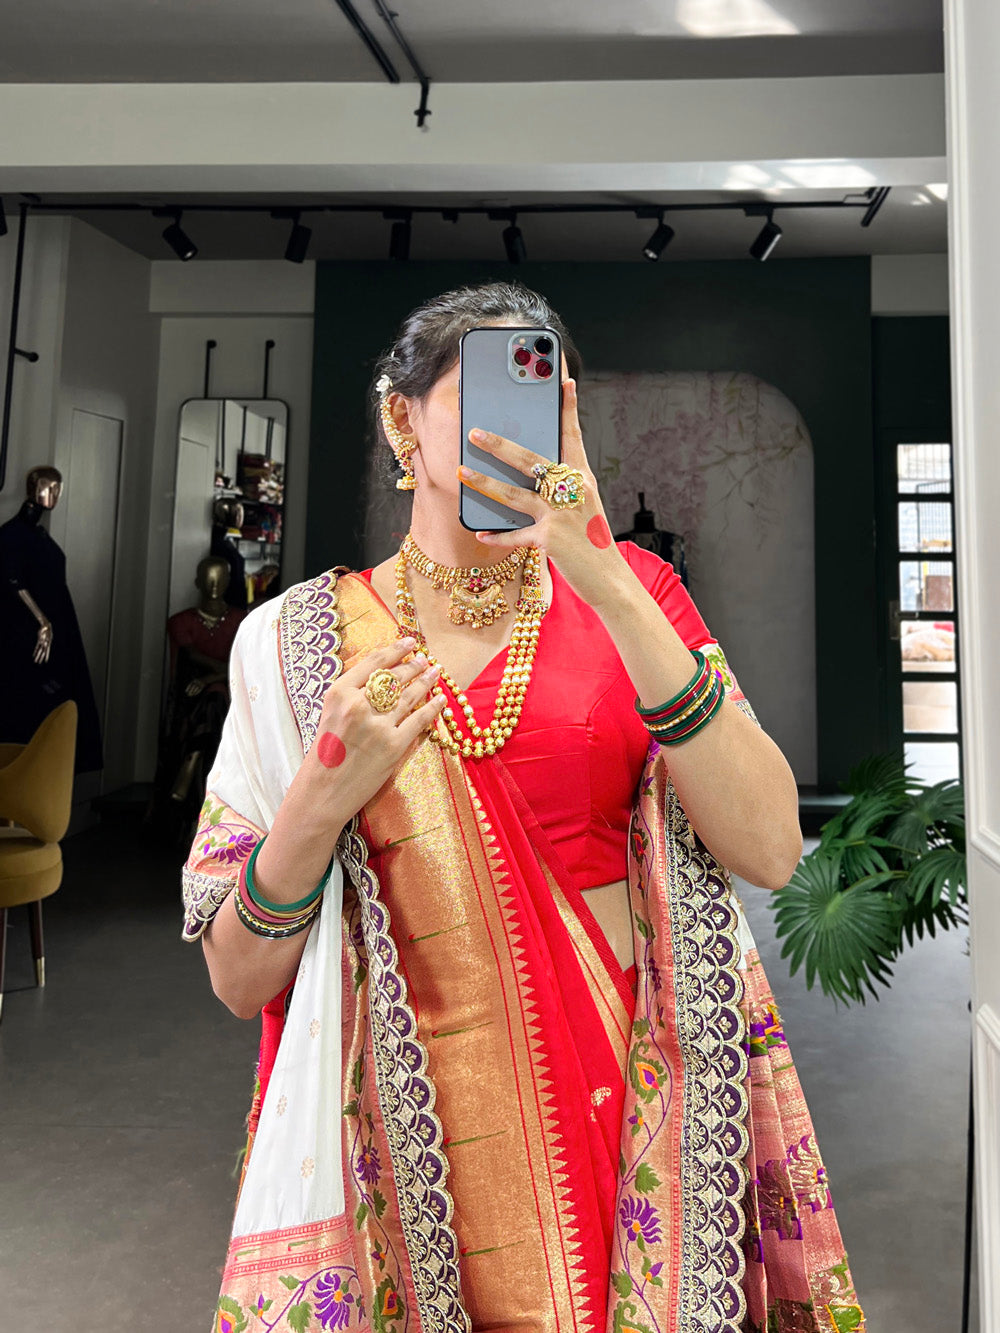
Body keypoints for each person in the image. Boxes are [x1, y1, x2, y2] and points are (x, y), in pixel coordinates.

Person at [182, 282, 866, 1333]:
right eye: (484, 399)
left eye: (544, 404)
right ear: (399, 418)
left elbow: (771, 847)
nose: (519, 433)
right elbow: (238, 977)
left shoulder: (634, 596)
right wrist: (319, 798)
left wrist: (603, 575)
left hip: (633, 1140)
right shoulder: (295, 645)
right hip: (406, 1166)